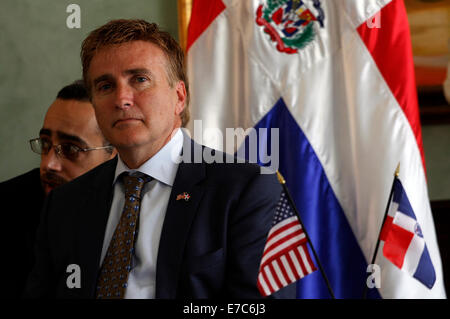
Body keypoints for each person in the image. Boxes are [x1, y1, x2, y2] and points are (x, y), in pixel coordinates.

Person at [25, 20, 295, 299]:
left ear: (179, 97)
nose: (122, 99)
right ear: (94, 104)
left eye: (140, 80)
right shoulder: (65, 203)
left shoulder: (248, 188)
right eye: (105, 86)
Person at [0, 80, 116, 298]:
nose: (48, 164)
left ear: (114, 155)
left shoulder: (137, 211)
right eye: (45, 143)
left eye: (71, 149)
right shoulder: (7, 209)